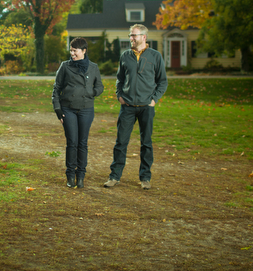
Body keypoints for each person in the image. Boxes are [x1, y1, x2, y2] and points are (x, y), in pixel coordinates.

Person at [103, 24, 168, 190]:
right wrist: (119, 95)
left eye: (134, 35)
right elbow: (120, 78)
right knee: (121, 143)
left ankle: (145, 177)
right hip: (128, 107)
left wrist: (154, 99)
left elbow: (162, 81)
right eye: (130, 35)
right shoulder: (125, 56)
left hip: (147, 107)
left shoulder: (155, 56)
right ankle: (114, 176)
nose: (131, 38)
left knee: (146, 143)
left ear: (144, 37)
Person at [52, 37, 104, 189]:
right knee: (72, 142)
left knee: (82, 143)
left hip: (86, 108)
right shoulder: (65, 66)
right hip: (68, 108)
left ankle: (81, 176)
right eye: (71, 50)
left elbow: (100, 87)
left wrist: (91, 92)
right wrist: (57, 109)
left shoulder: (93, 67)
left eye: (75, 51)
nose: (72, 54)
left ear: (84, 51)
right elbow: (56, 88)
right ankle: (70, 175)